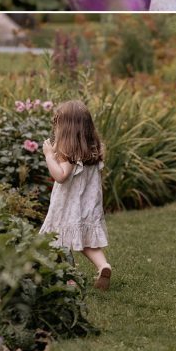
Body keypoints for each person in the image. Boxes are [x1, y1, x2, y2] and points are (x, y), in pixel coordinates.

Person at [39, 100, 111, 289]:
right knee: (88, 243)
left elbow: (61, 176)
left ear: (66, 129)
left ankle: (64, 275)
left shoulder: (68, 150)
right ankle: (103, 265)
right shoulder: (91, 148)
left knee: (55, 238)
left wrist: (48, 155)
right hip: (89, 204)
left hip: (69, 205)